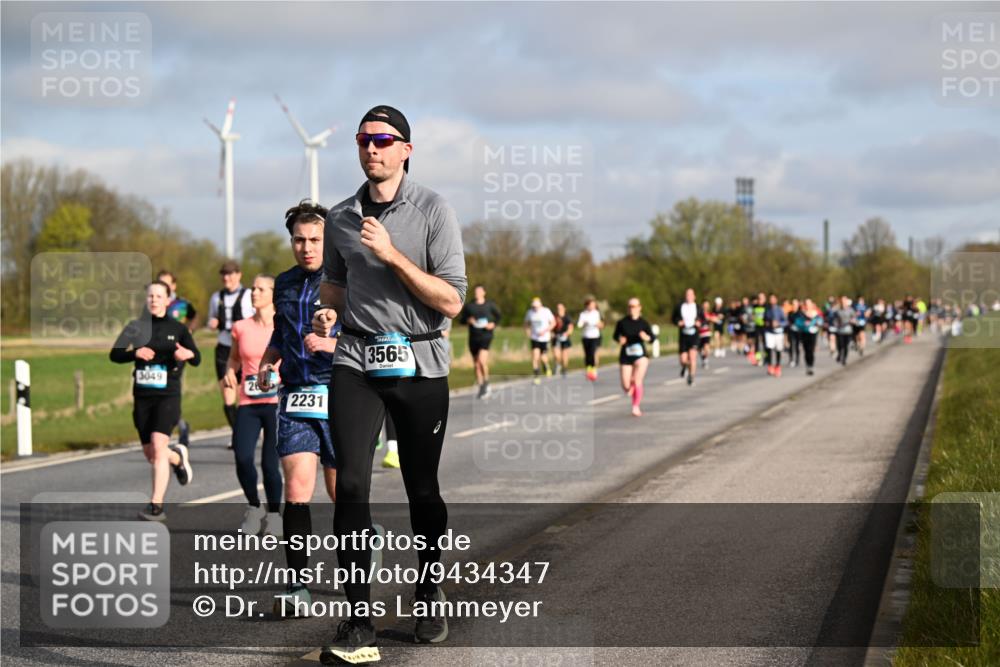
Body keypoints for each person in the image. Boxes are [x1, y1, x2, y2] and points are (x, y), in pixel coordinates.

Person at [312, 105, 466, 661]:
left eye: (383, 139)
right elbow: (333, 284)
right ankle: (357, 617)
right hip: (355, 358)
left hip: (420, 362)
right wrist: (326, 315)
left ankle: (428, 590)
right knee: (351, 484)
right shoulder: (339, 217)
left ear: (406, 149)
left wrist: (392, 255)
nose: (371, 148)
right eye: (362, 139)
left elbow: (451, 300)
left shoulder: (433, 210)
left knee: (421, 488)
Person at [256, 200, 341, 618]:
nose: (307, 247)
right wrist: (267, 364)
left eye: (315, 240)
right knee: (296, 492)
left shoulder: (347, 279)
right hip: (294, 396)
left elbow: (375, 335)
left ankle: (365, 543)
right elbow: (279, 333)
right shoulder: (285, 283)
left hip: (341, 392)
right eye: (299, 240)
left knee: (343, 493)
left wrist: (331, 343)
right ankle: (297, 587)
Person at [110, 281, 199, 521]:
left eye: (159, 296)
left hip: (168, 395)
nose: (154, 299)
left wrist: (187, 354)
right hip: (142, 396)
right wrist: (134, 353)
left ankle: (156, 506)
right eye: (150, 296)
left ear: (168, 300)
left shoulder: (178, 328)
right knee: (151, 454)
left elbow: (196, 357)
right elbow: (114, 354)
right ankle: (177, 458)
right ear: (146, 299)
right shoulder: (135, 327)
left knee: (159, 448)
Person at [222, 274, 283, 536]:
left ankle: (274, 516)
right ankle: (254, 507)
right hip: (248, 401)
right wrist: (228, 372)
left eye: (260, 289)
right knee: (243, 456)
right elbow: (234, 358)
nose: (254, 292)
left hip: (276, 402)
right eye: (253, 289)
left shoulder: (283, 325)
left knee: (270, 464)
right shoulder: (241, 327)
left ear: (272, 293)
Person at [207, 260, 255, 448]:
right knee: (228, 397)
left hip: (245, 348)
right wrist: (212, 322)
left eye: (230, 274)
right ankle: (239, 435)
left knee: (246, 393)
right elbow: (212, 318)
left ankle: (249, 430)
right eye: (224, 274)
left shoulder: (249, 295)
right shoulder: (215, 297)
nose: (227, 278)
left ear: (239, 275)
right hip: (224, 348)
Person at [157, 269, 197, 447]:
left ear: (173, 286)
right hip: (158, 351)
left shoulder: (182, 304)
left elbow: (193, 316)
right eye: (160, 283)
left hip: (178, 350)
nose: (163, 286)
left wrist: (189, 330)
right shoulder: (153, 302)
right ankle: (169, 426)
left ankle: (176, 425)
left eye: (166, 283)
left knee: (171, 386)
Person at [614, 297, 655, 417]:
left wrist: (646, 337)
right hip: (626, 354)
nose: (632, 309)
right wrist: (619, 339)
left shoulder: (643, 323)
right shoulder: (622, 323)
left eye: (634, 306)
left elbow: (652, 338)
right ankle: (631, 387)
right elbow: (615, 336)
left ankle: (636, 406)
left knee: (637, 380)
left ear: (639, 308)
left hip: (640, 355)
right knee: (626, 385)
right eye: (630, 306)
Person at [458, 285, 501, 399]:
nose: (477, 293)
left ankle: (486, 383)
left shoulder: (490, 305)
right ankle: (481, 386)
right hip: (473, 337)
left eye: (479, 291)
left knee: (482, 361)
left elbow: (498, 316)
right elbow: (461, 319)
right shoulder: (469, 306)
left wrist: (493, 324)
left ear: (484, 292)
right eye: (476, 291)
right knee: (476, 365)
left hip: (486, 336)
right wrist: (468, 320)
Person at [672, 288, 703, 386]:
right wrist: (678, 322)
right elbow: (673, 318)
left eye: (691, 295)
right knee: (683, 359)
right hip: (683, 335)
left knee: (692, 357)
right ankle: (685, 366)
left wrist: (699, 323)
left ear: (694, 296)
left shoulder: (698, 307)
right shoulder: (680, 306)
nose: (689, 296)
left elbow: (703, 319)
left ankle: (691, 376)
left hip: (694, 335)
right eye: (687, 295)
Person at [524, 297, 556, 384]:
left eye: (536, 306)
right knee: (535, 356)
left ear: (540, 305)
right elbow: (526, 323)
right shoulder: (530, 312)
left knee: (543, 357)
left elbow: (553, 323)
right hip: (535, 338)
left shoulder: (546, 311)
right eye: (533, 307)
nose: (535, 308)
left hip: (544, 338)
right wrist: (527, 331)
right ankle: (536, 375)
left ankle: (546, 366)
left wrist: (546, 331)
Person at [793, 299, 824, 375]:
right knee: (806, 350)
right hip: (804, 333)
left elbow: (821, 321)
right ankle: (807, 365)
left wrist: (817, 323)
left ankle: (811, 366)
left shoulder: (815, 313)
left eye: (808, 304)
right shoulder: (801, 314)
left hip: (813, 333)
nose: (807, 305)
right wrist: (803, 324)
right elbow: (797, 322)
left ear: (811, 305)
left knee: (811, 350)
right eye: (806, 304)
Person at [577, 297, 605, 381]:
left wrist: (599, 325)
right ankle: (588, 369)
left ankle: (593, 369)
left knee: (593, 353)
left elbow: (602, 324)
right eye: (590, 305)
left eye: (593, 305)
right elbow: (579, 325)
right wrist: (584, 323)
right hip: (586, 336)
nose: (592, 306)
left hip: (595, 336)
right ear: (587, 305)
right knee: (587, 354)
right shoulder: (583, 314)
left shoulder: (597, 313)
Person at [763, 293, 787, 377]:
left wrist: (778, 323)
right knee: (769, 348)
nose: (772, 300)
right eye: (770, 299)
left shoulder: (780, 309)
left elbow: (785, 321)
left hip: (778, 332)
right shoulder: (767, 309)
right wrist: (768, 323)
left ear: (776, 300)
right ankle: (770, 366)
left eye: (773, 299)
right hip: (769, 332)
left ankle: (777, 366)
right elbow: (764, 321)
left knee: (778, 349)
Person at [552, 302, 574, 376]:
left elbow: (570, 327)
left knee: (564, 355)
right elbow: (551, 326)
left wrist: (567, 333)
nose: (559, 310)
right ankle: (558, 365)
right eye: (558, 308)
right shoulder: (554, 317)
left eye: (560, 308)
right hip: (556, 337)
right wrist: (551, 334)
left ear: (564, 309)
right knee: (556, 355)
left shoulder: (567, 317)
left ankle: (564, 368)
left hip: (565, 338)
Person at [832, 296, 855, 365]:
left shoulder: (851, 310)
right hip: (840, 330)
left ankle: (844, 359)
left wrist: (853, 321)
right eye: (842, 301)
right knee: (839, 345)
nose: (843, 302)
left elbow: (854, 318)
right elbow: (834, 320)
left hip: (848, 330)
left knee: (846, 346)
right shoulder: (837, 310)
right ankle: (839, 354)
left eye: (844, 301)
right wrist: (836, 324)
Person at [697, 299, 713, 368]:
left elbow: (713, 319)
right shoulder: (699, 313)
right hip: (700, 333)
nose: (706, 306)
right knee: (699, 348)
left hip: (707, 333)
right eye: (705, 304)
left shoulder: (709, 313)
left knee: (707, 347)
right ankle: (703, 358)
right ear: (702, 305)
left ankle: (706, 359)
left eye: (707, 305)